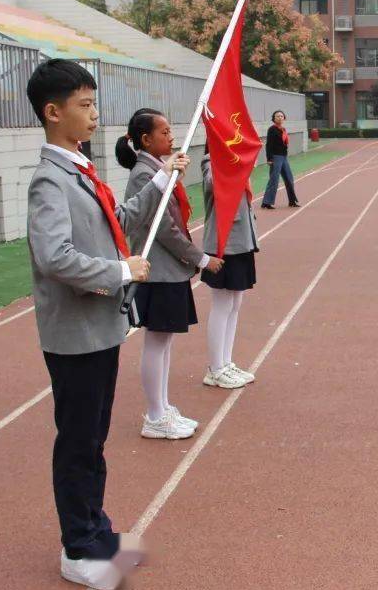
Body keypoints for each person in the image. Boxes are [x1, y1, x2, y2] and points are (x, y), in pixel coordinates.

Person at [26, 59, 189, 590]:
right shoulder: (50, 180)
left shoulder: (80, 169)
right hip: (75, 335)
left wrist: (161, 179)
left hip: (99, 327)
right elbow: (55, 257)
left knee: (92, 440)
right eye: (84, 105)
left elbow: (117, 224)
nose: (95, 115)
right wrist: (120, 270)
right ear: (53, 112)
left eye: (94, 103)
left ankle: (96, 530)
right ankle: (79, 546)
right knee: (78, 443)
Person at [116, 108, 224, 441]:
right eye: (164, 132)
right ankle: (154, 414)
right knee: (156, 341)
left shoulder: (158, 168)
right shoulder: (144, 173)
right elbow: (162, 228)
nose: (171, 136)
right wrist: (200, 259)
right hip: (159, 271)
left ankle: (162, 407)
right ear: (146, 139)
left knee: (163, 344)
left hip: (169, 270)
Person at [201, 145, 260, 389]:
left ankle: (225, 362)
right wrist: (236, 162)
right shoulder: (210, 162)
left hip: (241, 242)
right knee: (222, 304)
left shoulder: (236, 162)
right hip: (224, 243)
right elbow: (214, 184)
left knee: (235, 302)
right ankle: (215, 368)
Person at [261, 110, 301, 209]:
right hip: (275, 157)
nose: (280, 117)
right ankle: (266, 202)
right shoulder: (272, 129)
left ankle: (292, 201)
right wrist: (269, 158)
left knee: (289, 178)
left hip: (283, 157)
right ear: (274, 118)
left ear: (284, 118)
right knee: (274, 179)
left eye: (281, 116)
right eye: (277, 116)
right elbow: (269, 145)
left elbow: (284, 144)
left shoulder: (283, 129)